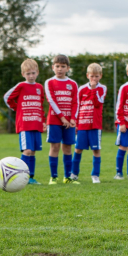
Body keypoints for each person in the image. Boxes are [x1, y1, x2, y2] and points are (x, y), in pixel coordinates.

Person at [3, 59, 46, 185]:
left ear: (37, 72)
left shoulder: (39, 87)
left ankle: (30, 177)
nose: (31, 76)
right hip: (25, 124)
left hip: (36, 124)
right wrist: (18, 109)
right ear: (23, 74)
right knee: (27, 150)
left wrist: (42, 121)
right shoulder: (21, 86)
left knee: (33, 151)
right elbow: (7, 98)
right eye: (28, 74)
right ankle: (22, 177)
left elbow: (40, 105)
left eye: (33, 73)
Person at [44, 54, 79, 185]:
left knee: (68, 148)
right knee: (55, 147)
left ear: (68, 68)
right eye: (57, 66)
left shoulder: (73, 84)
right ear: (53, 67)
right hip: (54, 121)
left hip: (69, 122)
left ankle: (67, 177)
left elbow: (76, 102)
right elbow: (51, 100)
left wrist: (73, 119)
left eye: (63, 66)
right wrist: (62, 117)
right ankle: (53, 177)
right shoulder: (49, 82)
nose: (60, 69)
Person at [71, 63, 107, 184]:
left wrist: (93, 90)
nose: (94, 79)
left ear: (100, 76)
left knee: (96, 150)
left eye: (96, 76)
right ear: (87, 75)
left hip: (95, 126)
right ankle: (74, 173)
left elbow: (98, 103)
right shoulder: (81, 89)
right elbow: (77, 106)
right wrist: (76, 123)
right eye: (92, 76)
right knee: (78, 149)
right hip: (82, 125)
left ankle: (95, 175)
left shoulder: (102, 89)